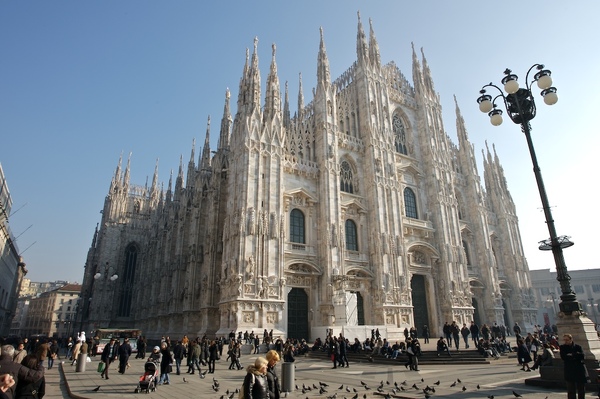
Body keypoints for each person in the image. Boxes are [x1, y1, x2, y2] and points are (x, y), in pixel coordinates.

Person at [560, 334, 588, 399]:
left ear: (571, 339)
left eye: (567, 340)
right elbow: (564, 357)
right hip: (569, 370)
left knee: (581, 389)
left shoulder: (578, 347)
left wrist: (571, 355)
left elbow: (582, 356)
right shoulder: (563, 347)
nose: (565, 341)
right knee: (571, 390)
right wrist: (575, 355)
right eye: (564, 340)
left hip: (579, 370)